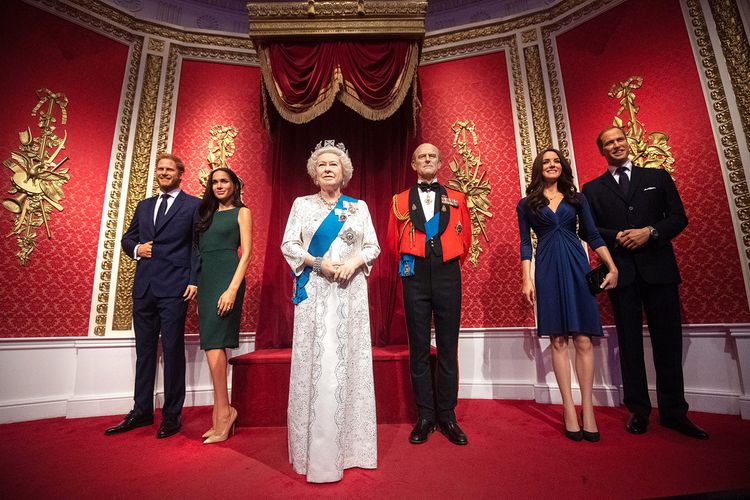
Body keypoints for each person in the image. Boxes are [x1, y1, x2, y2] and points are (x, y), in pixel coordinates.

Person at [581, 126, 708, 439]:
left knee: (668, 342)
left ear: (628, 143)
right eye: (609, 143)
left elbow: (678, 218)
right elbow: (588, 229)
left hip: (660, 271)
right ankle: (638, 410)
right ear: (602, 151)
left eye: (619, 140)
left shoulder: (657, 177)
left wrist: (649, 232)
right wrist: (619, 237)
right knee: (629, 345)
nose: (615, 145)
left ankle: (674, 412)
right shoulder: (592, 189)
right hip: (621, 274)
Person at [281, 141, 380, 483]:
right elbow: (289, 244)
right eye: (321, 165)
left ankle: (352, 448)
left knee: (346, 362)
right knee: (318, 363)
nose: (327, 169)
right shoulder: (301, 205)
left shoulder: (358, 207)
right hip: (314, 291)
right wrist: (318, 262)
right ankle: (315, 450)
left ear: (344, 173)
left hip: (349, 292)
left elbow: (372, 246)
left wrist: (353, 262)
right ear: (314, 173)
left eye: (333, 165)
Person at [516, 148, 618, 442]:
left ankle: (588, 409)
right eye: (546, 162)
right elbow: (525, 244)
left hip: (576, 264)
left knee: (583, 338)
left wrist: (611, 266)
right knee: (558, 339)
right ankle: (568, 409)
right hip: (547, 268)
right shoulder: (526, 204)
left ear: (562, 167)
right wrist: (527, 278)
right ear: (539, 168)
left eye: (556, 161)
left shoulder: (577, 199)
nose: (551, 165)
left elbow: (593, 234)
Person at [106, 152, 200, 439]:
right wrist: (137, 250)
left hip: (174, 288)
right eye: (160, 169)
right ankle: (141, 411)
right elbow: (127, 238)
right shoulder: (144, 206)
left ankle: (172, 416)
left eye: (169, 169)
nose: (163, 173)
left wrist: (194, 281)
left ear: (179, 173)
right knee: (144, 353)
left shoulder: (193, 205)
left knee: (172, 352)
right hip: (144, 288)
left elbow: (197, 245)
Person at [387, 143, 472, 446]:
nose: (427, 160)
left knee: (448, 347)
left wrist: (445, 261)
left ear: (439, 162)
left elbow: (467, 239)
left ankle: (447, 415)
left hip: (448, 273)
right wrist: (414, 269)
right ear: (413, 164)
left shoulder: (457, 198)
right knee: (419, 348)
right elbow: (391, 242)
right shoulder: (399, 201)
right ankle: (425, 415)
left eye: (432, 156)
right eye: (421, 156)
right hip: (415, 277)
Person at [195, 168, 252, 444]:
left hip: (228, 277)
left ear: (234, 185)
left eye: (224, 181)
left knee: (216, 344)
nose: (219, 186)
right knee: (210, 345)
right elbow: (196, 252)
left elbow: (247, 254)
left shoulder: (242, 212)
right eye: (215, 182)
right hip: (206, 280)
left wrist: (231, 289)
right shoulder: (204, 215)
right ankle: (223, 412)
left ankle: (224, 414)